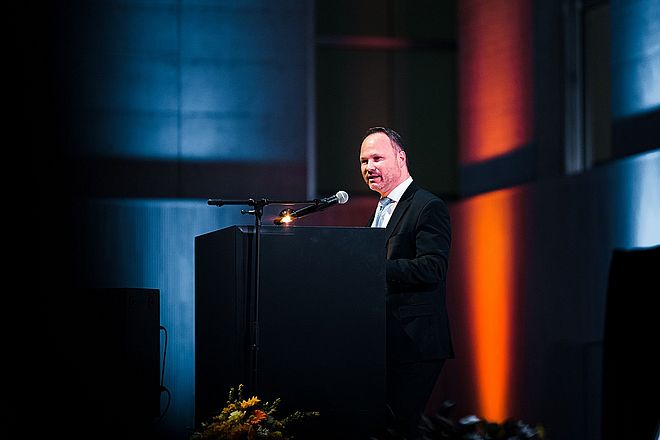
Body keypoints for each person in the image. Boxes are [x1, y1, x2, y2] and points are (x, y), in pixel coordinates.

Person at [359, 127, 453, 440]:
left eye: (377, 158)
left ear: (401, 158)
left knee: (396, 429)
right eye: (364, 161)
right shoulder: (380, 208)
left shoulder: (427, 206)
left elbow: (433, 267)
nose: (369, 167)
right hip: (382, 339)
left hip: (415, 341)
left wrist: (376, 269)